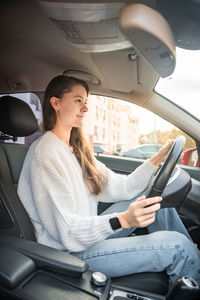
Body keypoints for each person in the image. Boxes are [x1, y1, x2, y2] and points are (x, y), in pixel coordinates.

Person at [17, 75, 200, 287]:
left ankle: (192, 258)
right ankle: (189, 258)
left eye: (86, 101)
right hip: (70, 252)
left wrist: (156, 160)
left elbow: (121, 187)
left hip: (87, 239)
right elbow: (67, 232)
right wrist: (122, 220)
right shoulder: (44, 154)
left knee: (154, 201)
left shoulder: (76, 150)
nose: (85, 108)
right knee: (178, 247)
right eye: (78, 100)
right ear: (55, 103)